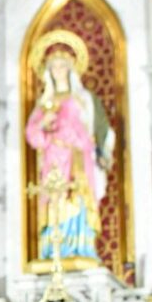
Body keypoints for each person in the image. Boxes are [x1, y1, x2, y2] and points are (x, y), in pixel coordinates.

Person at [25, 30, 115, 261]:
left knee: (78, 198)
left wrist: (101, 151)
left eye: (62, 66)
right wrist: (44, 123)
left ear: (71, 68)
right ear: (48, 72)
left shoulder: (83, 99)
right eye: (53, 67)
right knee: (55, 200)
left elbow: (99, 129)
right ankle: (55, 250)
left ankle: (80, 247)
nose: (58, 71)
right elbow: (32, 134)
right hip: (54, 159)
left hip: (78, 157)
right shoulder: (44, 103)